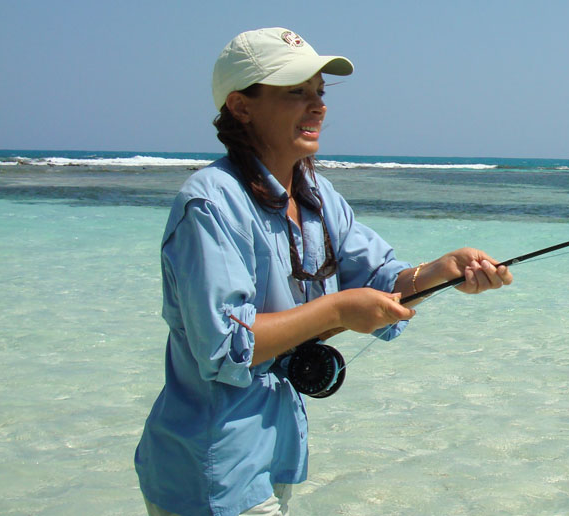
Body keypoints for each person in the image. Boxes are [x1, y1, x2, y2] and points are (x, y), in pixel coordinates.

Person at [135, 27, 512, 516]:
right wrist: (336, 308)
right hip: (210, 470)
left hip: (275, 456)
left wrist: (441, 271)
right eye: (296, 93)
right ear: (240, 106)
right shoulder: (210, 204)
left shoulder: (318, 195)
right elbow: (227, 346)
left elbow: (381, 280)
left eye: (319, 92)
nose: (318, 107)